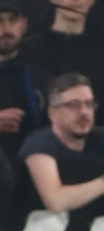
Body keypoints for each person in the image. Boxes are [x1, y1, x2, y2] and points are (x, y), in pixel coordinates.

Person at [19, 73, 104, 215]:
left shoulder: (95, 136)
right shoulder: (40, 143)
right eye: (73, 106)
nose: (84, 112)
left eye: (89, 104)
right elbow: (56, 201)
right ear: (52, 114)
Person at [0, 1, 47, 169]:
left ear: (24, 24)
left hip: (34, 171)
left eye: (12, 20)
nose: (6, 29)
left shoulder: (41, 76)